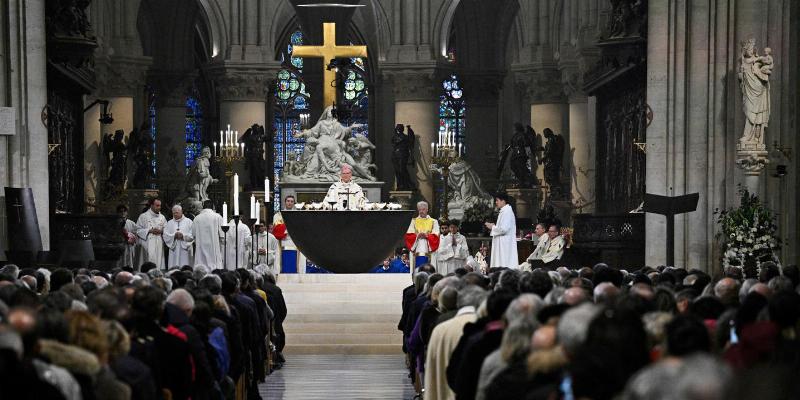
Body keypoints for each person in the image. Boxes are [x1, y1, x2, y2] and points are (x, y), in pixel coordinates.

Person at [273, 195, 306, 273]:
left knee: (297, 266)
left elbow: (301, 229)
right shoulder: (278, 215)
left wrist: (289, 226)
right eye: (288, 201)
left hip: (296, 243)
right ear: (285, 202)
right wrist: (291, 227)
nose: (290, 203)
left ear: (294, 203)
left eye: (291, 201)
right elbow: (277, 230)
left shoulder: (298, 215)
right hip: (283, 242)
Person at [485, 193, 518, 269]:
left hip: (504, 244)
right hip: (502, 242)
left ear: (503, 201)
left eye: (497, 200)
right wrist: (494, 226)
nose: (496, 202)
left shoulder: (507, 212)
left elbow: (504, 229)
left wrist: (492, 227)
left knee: (504, 263)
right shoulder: (504, 211)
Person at [405, 201, 440, 269]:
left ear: (427, 209)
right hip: (417, 247)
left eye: (423, 209)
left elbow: (436, 235)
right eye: (419, 209)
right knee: (417, 268)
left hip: (429, 249)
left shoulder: (433, 221)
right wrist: (418, 236)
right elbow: (409, 235)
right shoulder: (413, 221)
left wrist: (427, 236)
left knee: (428, 269)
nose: (421, 211)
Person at [136, 198, 167, 270]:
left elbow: (167, 229)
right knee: (148, 262)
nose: (159, 207)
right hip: (147, 243)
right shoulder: (143, 216)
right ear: (152, 205)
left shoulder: (162, 217)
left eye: (160, 205)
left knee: (158, 262)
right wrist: (150, 230)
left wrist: (161, 231)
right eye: (157, 205)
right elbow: (137, 229)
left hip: (159, 242)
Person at [192, 200, 224, 269]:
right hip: (214, 246)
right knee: (214, 266)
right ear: (213, 207)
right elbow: (222, 234)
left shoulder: (197, 218)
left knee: (201, 265)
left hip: (200, 246)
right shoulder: (217, 217)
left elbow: (193, 234)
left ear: (203, 207)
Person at [163, 205, 194, 269]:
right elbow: (165, 235)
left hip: (185, 249)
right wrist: (174, 236)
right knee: (174, 267)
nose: (175, 214)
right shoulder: (169, 223)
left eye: (177, 212)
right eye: (173, 213)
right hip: (174, 249)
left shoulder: (189, 222)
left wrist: (183, 236)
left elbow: (193, 234)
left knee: (185, 267)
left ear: (181, 212)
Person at [117, 204, 138, 269]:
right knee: (120, 264)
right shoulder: (115, 222)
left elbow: (136, 235)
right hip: (120, 247)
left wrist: (129, 236)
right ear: (118, 213)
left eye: (124, 211)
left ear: (127, 212)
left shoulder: (131, 223)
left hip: (129, 247)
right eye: (121, 211)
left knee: (129, 265)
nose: (123, 213)